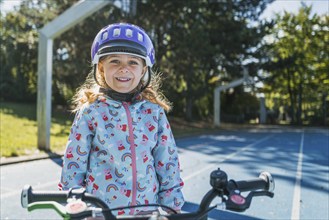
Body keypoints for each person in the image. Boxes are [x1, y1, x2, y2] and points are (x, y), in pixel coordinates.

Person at [58, 23, 184, 216]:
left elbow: (167, 160)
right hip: (100, 212)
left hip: (146, 211)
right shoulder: (91, 112)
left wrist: (172, 203)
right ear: (101, 69)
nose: (124, 68)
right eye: (115, 61)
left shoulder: (154, 113)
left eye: (133, 62)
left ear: (143, 70)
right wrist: (75, 203)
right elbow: (74, 162)